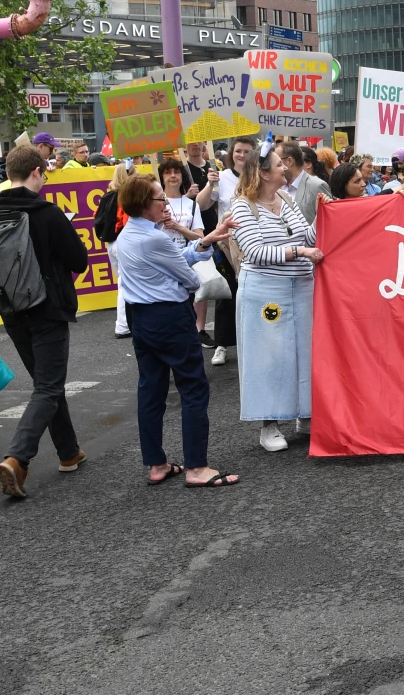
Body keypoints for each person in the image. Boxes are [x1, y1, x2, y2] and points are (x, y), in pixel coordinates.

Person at [0, 146, 91, 498]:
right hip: (48, 310)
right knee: (48, 387)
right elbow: (79, 261)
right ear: (37, 172)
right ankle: (17, 458)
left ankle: (69, 453)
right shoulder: (49, 214)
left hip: (12, 314)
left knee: (45, 384)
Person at [112, 175, 241, 488]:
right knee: (193, 387)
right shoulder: (153, 238)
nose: (165, 201)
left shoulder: (130, 233)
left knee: (151, 389)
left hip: (141, 317)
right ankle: (197, 467)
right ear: (146, 205)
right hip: (169, 316)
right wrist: (196, 257)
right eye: (159, 198)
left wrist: (207, 240)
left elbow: (175, 259)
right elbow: (191, 278)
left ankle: (156, 464)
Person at [231, 144, 321, 452]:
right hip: (266, 293)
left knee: (305, 353)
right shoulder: (242, 207)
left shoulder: (286, 199)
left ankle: (305, 415)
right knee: (269, 358)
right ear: (263, 172)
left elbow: (307, 238)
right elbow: (255, 252)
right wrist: (300, 252)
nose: (286, 168)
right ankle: (269, 424)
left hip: (302, 285)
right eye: (279, 164)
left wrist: (323, 215)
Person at [195, 135, 251, 365]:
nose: (242, 155)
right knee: (228, 294)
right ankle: (222, 344)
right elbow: (202, 204)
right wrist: (210, 184)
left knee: (252, 294)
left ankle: (251, 343)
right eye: (238, 151)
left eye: (247, 151)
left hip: (255, 243)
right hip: (228, 244)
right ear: (231, 153)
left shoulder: (259, 176)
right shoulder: (222, 177)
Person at [103, 162, 135, 339]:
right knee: (125, 283)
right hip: (123, 241)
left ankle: (123, 323)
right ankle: (123, 325)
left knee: (121, 282)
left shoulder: (109, 196)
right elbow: (127, 222)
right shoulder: (126, 197)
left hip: (111, 243)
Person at [277, 140, 330, 224]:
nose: (274, 165)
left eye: (278, 162)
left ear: (289, 161)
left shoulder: (317, 186)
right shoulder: (277, 187)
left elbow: (328, 221)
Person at [157, 158, 203, 249]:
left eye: (177, 172)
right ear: (161, 177)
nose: (173, 175)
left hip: (185, 257)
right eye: (167, 172)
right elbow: (141, 232)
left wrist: (178, 227)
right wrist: (159, 221)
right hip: (160, 256)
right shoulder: (154, 202)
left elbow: (200, 239)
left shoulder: (192, 205)